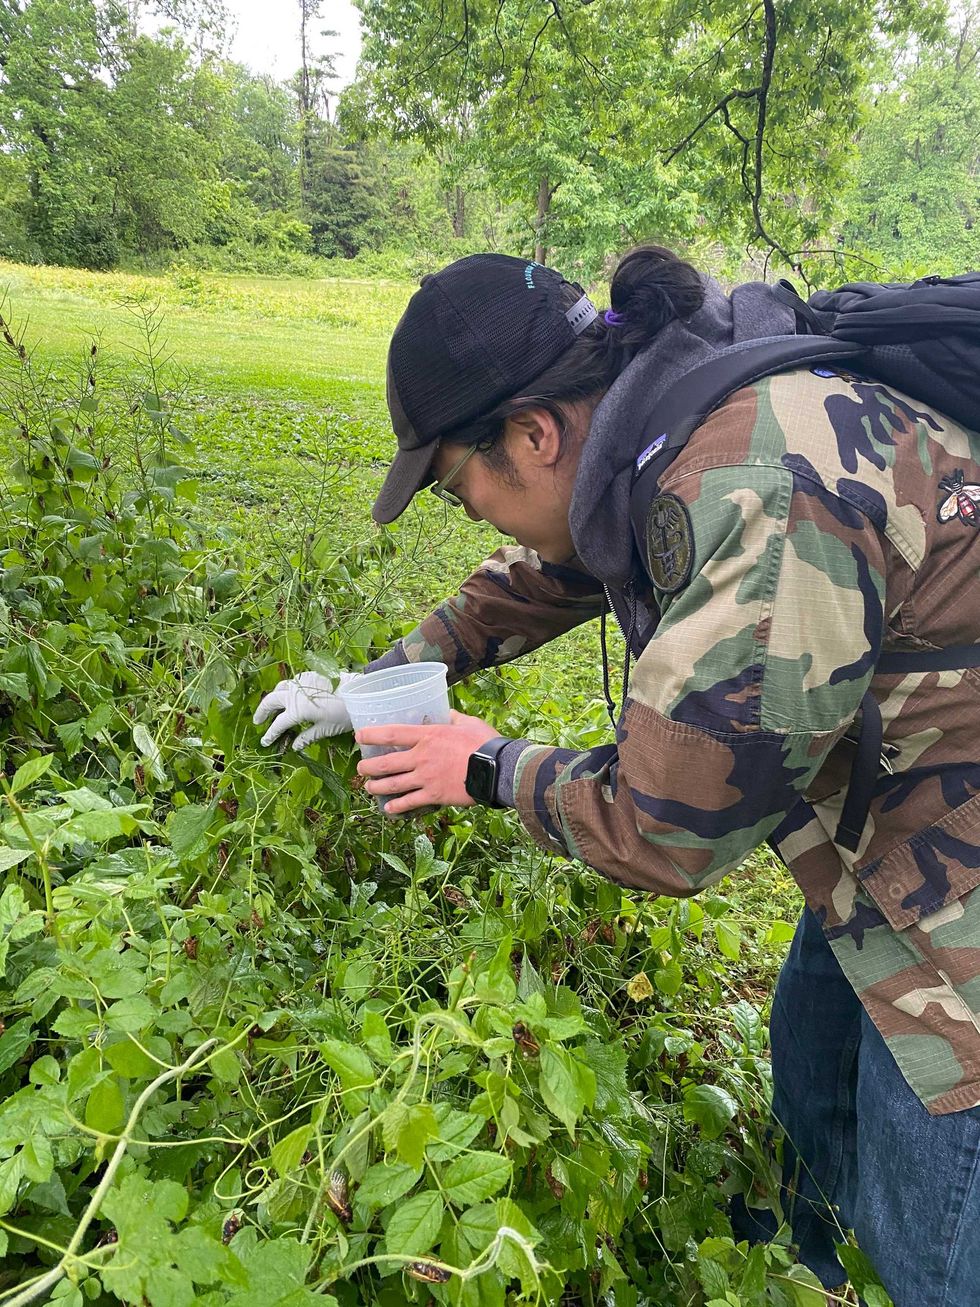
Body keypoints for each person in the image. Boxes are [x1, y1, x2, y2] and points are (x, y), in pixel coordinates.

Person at [254, 248, 980, 1305]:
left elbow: (669, 822)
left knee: (938, 1218)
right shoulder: (662, 404)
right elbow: (570, 555)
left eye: (464, 495)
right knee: (812, 1055)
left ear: (534, 433)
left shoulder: (755, 489)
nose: (480, 521)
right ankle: (805, 1265)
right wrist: (401, 667)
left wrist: (490, 766)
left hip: (952, 884)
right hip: (889, 821)